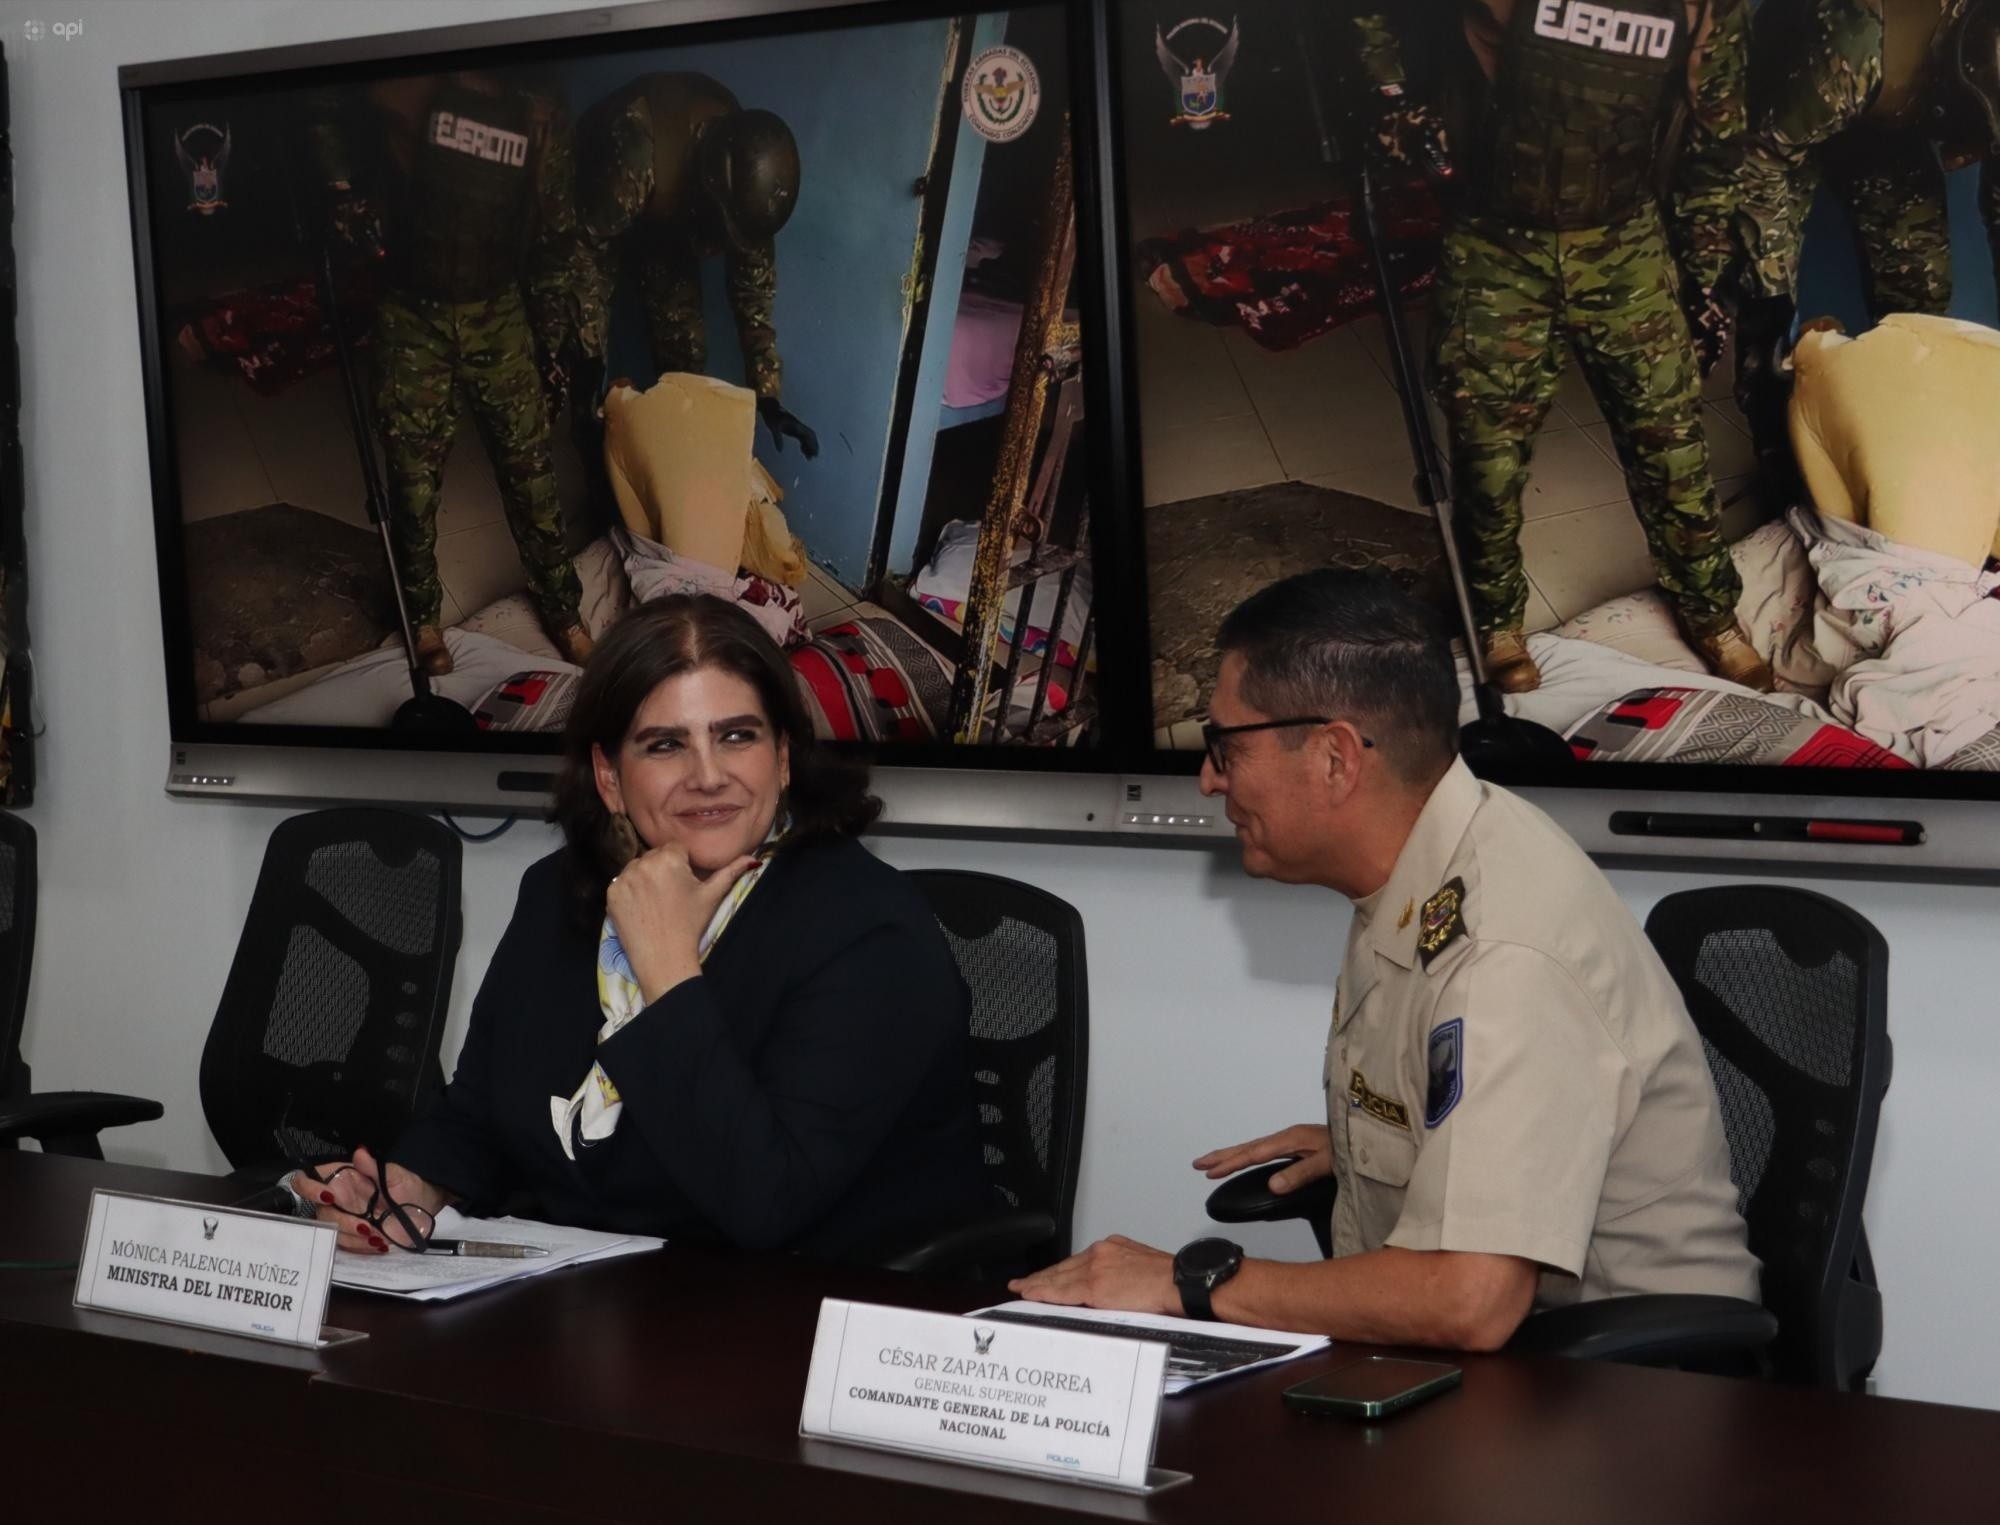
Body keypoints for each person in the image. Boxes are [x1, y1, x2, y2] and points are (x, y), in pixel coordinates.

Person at [1011, 570, 1758, 1350]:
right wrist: (1383, 1143)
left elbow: (1469, 1299)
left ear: (1336, 757)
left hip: (1625, 1395)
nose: (1209, 778)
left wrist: (1183, 1280)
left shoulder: (1505, 952)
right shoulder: (1429, 859)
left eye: (1226, 746)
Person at [283, 594, 987, 1260]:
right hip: (588, 1312)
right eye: (663, 745)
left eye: (736, 736)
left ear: (781, 756)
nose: (708, 775)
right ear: (609, 775)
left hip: (791, 1328)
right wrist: (405, 1189)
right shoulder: (559, 892)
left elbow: (766, 1203)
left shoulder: (868, 929)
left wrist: (666, 964)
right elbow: (480, 1114)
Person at [1347, 2, 1774, 696]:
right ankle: (1496, 625)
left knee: (1671, 448)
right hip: (1496, 239)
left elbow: (1716, 134)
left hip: (1623, 237)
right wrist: (1388, 91)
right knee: (1487, 454)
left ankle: (1712, 614)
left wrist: (1702, 275)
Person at [305, 72, 595, 677]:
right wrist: (339, 187)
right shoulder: (406, 75)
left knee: (530, 473)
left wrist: (553, 343)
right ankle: (423, 619)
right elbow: (324, 97)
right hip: (413, 310)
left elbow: (554, 234)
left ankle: (563, 611)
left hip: (500, 309)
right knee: (412, 481)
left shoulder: (539, 107)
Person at [1706, 0, 2000, 500]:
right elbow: (1762, 161)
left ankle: (1900, 448)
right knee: (1767, 300)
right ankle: (1786, 465)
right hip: (1783, 120)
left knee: (1922, 284)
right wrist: (1774, 285)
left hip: (1888, 120)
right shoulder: (1862, 45)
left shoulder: (1987, 60)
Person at [569, 73, 819, 463]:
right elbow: (584, 256)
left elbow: (753, 293)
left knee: (686, 354)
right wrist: (587, 358)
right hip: (599, 202)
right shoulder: (638, 152)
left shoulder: (747, 188)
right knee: (577, 360)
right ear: (710, 185)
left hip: (667, 218)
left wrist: (768, 396)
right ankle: (596, 467)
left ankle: (670, 471)